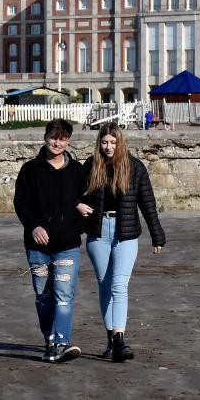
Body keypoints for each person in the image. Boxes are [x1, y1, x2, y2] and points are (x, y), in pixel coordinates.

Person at [76, 123, 166, 363]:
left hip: (125, 233)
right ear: (99, 143)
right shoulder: (90, 166)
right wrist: (77, 205)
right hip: (98, 232)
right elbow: (74, 194)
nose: (108, 147)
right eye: (104, 142)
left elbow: (148, 203)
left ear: (120, 142)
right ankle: (110, 339)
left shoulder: (135, 167)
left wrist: (157, 235)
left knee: (119, 286)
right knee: (105, 287)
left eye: (113, 142)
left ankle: (119, 340)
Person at [13, 118, 87, 363]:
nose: (57, 143)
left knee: (64, 295)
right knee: (43, 296)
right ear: (45, 138)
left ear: (69, 141)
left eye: (63, 139)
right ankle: (50, 340)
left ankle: (61, 341)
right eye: (54, 137)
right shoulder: (30, 170)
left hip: (68, 246)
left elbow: (86, 201)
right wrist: (33, 226)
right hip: (38, 247)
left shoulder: (77, 171)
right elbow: (21, 203)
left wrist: (77, 228)